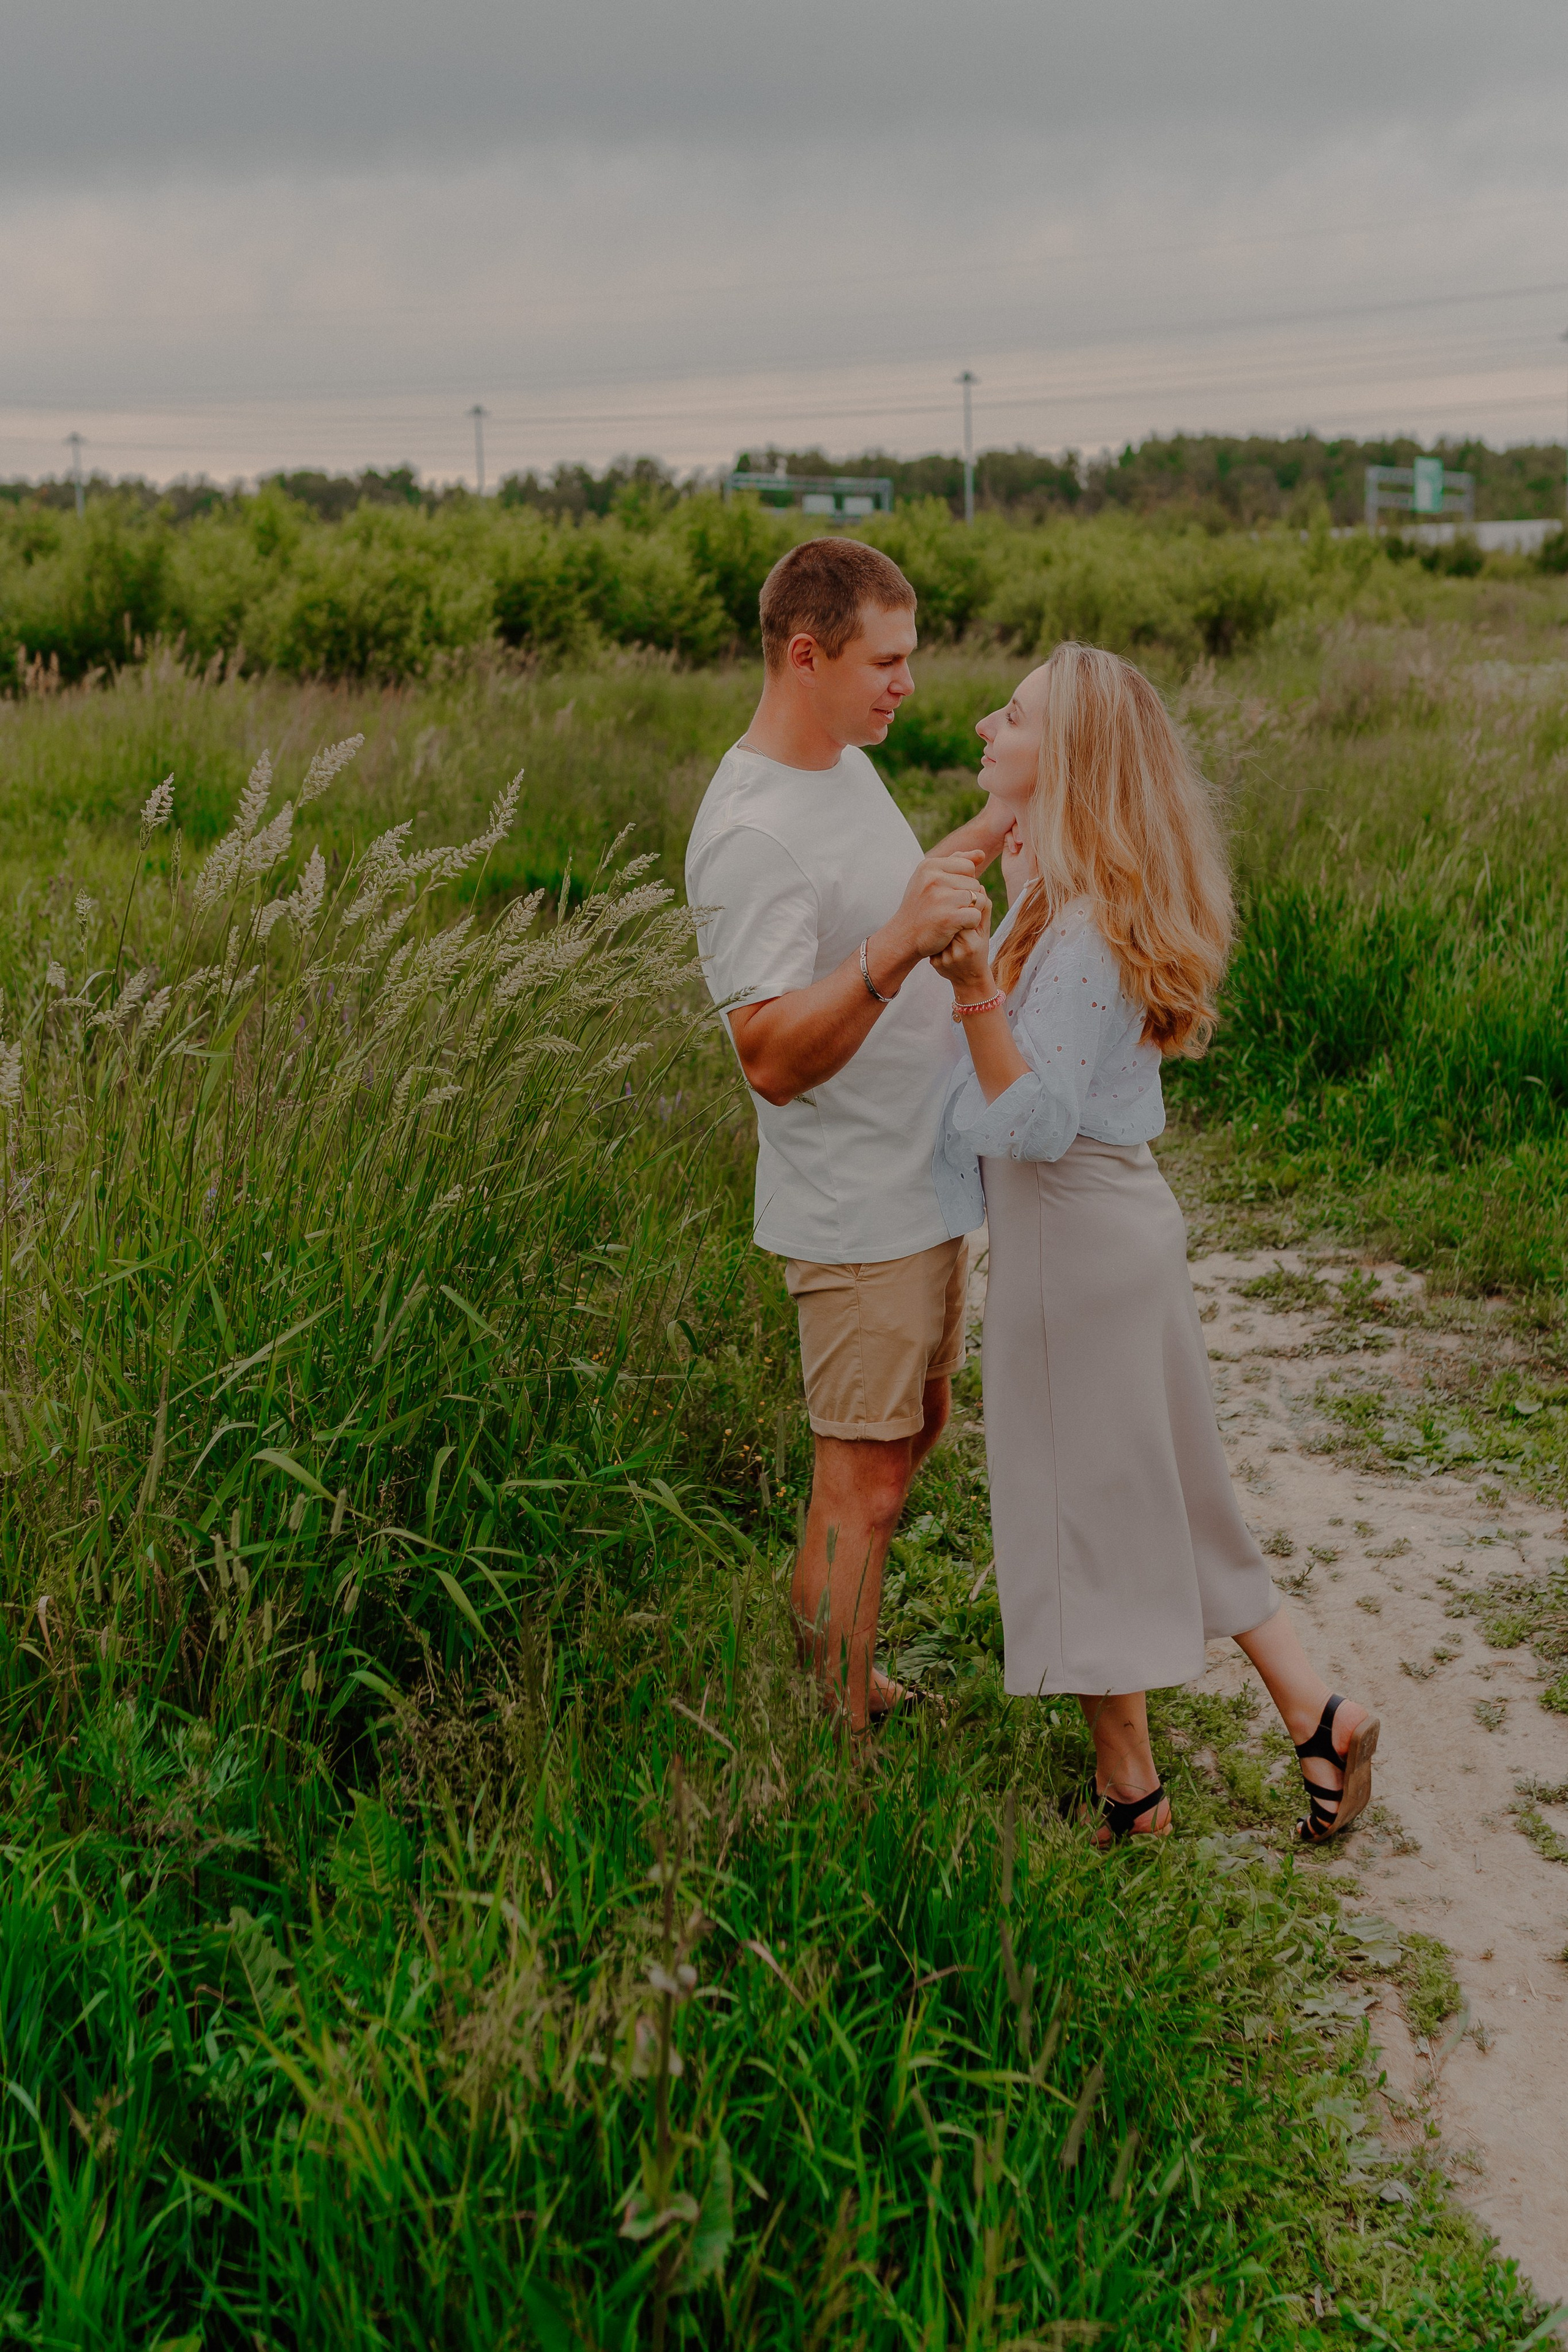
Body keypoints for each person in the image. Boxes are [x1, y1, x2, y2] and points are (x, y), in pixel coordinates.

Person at [929, 642, 1379, 1844]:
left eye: (1012, 715)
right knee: (1176, 1483)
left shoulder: (1080, 933)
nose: (983, 725)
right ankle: (1317, 1714)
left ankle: (1131, 1793)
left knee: (1075, 1504)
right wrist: (1006, 875)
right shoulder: (1081, 902)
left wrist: (972, 982)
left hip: (1069, 1235)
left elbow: (1035, 1119)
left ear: (1067, 753)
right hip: (1115, 1223)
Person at [685, 538, 1009, 1731]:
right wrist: (894, 951)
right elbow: (769, 1057)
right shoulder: (752, 833)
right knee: (859, 1485)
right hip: (855, 1210)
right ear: (806, 655)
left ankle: (848, 1671)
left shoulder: (842, 764)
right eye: (886, 662)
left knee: (911, 1439)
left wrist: (1002, 818)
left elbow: (899, 900)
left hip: (921, 1184)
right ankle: (832, 1741)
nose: (907, 684)